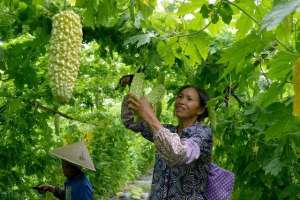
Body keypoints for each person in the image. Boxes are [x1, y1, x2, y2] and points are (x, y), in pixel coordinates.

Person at [121, 85, 234, 200]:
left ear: (200, 110)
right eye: (180, 97)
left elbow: (178, 153)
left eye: (189, 99)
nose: (181, 101)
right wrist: (133, 90)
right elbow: (131, 122)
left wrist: (149, 115)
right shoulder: (168, 131)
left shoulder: (202, 134)